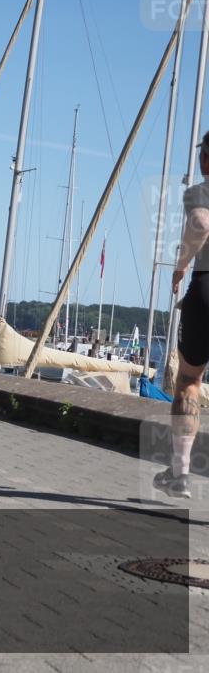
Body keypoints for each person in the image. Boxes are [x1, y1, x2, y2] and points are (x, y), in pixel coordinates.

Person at [154, 130, 209, 499]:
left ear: (205, 158)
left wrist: (181, 266)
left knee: (189, 380)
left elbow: (201, 224)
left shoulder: (200, 192)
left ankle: (180, 473)